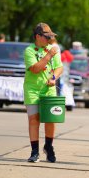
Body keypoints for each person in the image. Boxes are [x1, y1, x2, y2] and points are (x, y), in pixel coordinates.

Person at [23, 23, 63, 163]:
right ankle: (35, 151)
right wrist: (48, 56)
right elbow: (35, 69)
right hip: (32, 89)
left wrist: (53, 78)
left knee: (50, 119)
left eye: (51, 37)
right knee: (34, 119)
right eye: (47, 37)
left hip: (49, 90)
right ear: (38, 36)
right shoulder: (29, 50)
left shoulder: (53, 49)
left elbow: (59, 68)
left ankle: (49, 146)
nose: (49, 39)